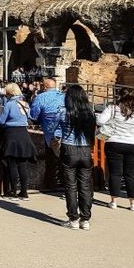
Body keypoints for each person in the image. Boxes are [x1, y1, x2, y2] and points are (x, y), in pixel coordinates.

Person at [97, 88, 134, 212]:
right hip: (133, 144)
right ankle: (133, 203)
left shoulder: (112, 108)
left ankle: (114, 201)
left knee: (115, 173)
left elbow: (100, 121)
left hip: (114, 142)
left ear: (119, 96)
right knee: (131, 174)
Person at [55, 85, 96, 229]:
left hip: (69, 148)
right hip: (85, 149)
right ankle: (85, 219)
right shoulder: (90, 113)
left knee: (70, 186)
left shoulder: (64, 112)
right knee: (85, 186)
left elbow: (55, 129)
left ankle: (73, 219)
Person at [0, 83, 37, 200]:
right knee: (22, 165)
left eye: (6, 94)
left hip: (12, 135)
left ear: (10, 94)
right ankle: (24, 192)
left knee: (12, 164)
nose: (5, 96)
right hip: (24, 134)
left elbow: (1, 121)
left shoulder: (10, 104)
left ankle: (13, 191)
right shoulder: (25, 104)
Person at [30, 77, 66, 190]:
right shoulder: (64, 97)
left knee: (51, 159)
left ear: (44, 87)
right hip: (66, 133)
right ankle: (64, 182)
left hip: (51, 133)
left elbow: (33, 116)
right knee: (64, 159)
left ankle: (51, 183)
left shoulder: (40, 98)